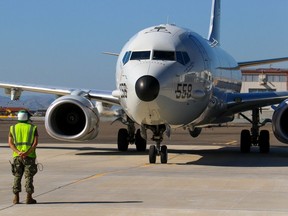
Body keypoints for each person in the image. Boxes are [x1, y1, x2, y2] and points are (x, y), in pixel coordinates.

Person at [8, 110, 39, 204]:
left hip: (17, 156)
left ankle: (16, 198)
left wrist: (18, 152)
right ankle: (29, 197)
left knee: (17, 176)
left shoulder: (12, 128)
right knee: (29, 176)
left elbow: (10, 143)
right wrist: (27, 152)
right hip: (29, 156)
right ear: (27, 117)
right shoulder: (33, 128)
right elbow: (35, 143)